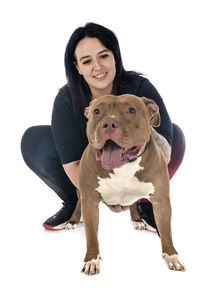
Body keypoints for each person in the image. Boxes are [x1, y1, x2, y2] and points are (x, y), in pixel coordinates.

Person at [21, 22, 185, 232]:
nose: (97, 66)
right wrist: (102, 194)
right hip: (90, 168)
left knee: (174, 135)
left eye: (104, 56)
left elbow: (165, 153)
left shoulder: (139, 87)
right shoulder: (66, 99)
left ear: (115, 56)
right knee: (36, 139)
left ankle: (145, 200)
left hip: (138, 165)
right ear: (77, 67)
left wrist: (130, 191)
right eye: (87, 61)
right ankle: (75, 201)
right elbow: (72, 164)